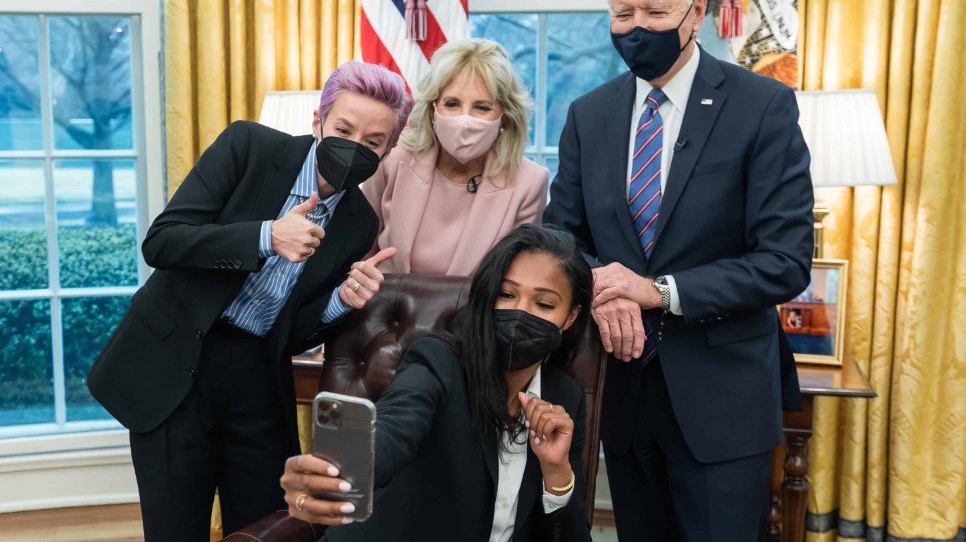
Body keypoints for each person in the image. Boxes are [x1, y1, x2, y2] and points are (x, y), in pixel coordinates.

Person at [544, 0, 814, 541]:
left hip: (723, 399)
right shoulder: (589, 114)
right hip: (623, 390)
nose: (637, 27)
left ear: (696, 11)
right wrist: (604, 286)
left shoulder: (762, 106)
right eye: (623, 13)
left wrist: (657, 290)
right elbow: (563, 239)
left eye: (656, 12)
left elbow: (785, 260)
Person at [87, 61, 413, 540]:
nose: (354, 147)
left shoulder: (360, 222)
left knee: (268, 529)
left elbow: (294, 331)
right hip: (178, 362)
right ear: (318, 121)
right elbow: (162, 241)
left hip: (258, 378)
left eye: (372, 142)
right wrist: (265, 236)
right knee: (175, 529)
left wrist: (342, 301)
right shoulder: (248, 147)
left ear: (389, 150)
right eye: (344, 129)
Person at [280, 225, 593, 542]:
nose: (520, 312)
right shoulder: (439, 361)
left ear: (570, 317)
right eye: (507, 294)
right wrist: (339, 470)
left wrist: (557, 473)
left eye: (544, 304)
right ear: (487, 296)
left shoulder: (565, 397)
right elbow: (395, 424)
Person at [363, 38, 549, 275]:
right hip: (385, 306)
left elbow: (517, 277)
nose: (465, 120)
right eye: (452, 104)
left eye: (482, 107)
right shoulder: (391, 161)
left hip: (474, 311)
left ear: (504, 116)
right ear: (433, 110)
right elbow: (359, 253)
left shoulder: (530, 182)